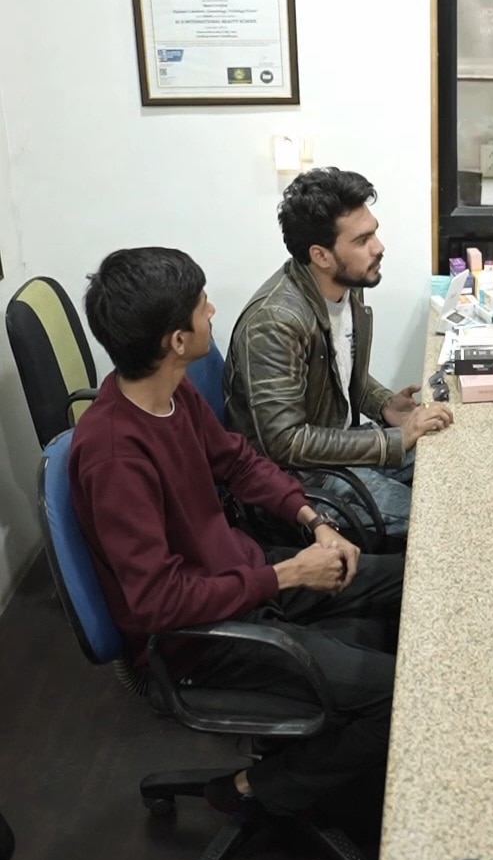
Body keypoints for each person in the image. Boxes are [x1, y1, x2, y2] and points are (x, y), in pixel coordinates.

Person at [70, 247, 405, 825]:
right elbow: (158, 602)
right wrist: (287, 574)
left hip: (247, 577)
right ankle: (256, 787)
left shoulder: (171, 394)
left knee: (414, 579)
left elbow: (240, 463)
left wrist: (315, 522)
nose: (212, 311)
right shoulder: (115, 456)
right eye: (202, 306)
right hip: (201, 642)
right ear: (178, 341)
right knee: (403, 692)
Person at [225, 168, 452, 539]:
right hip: (303, 481)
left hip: (339, 449)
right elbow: (286, 442)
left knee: (451, 453)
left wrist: (383, 404)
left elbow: (338, 372)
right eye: (362, 240)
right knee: (442, 519)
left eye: (374, 232)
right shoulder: (275, 322)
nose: (378, 247)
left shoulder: (347, 283)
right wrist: (392, 440)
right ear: (321, 256)